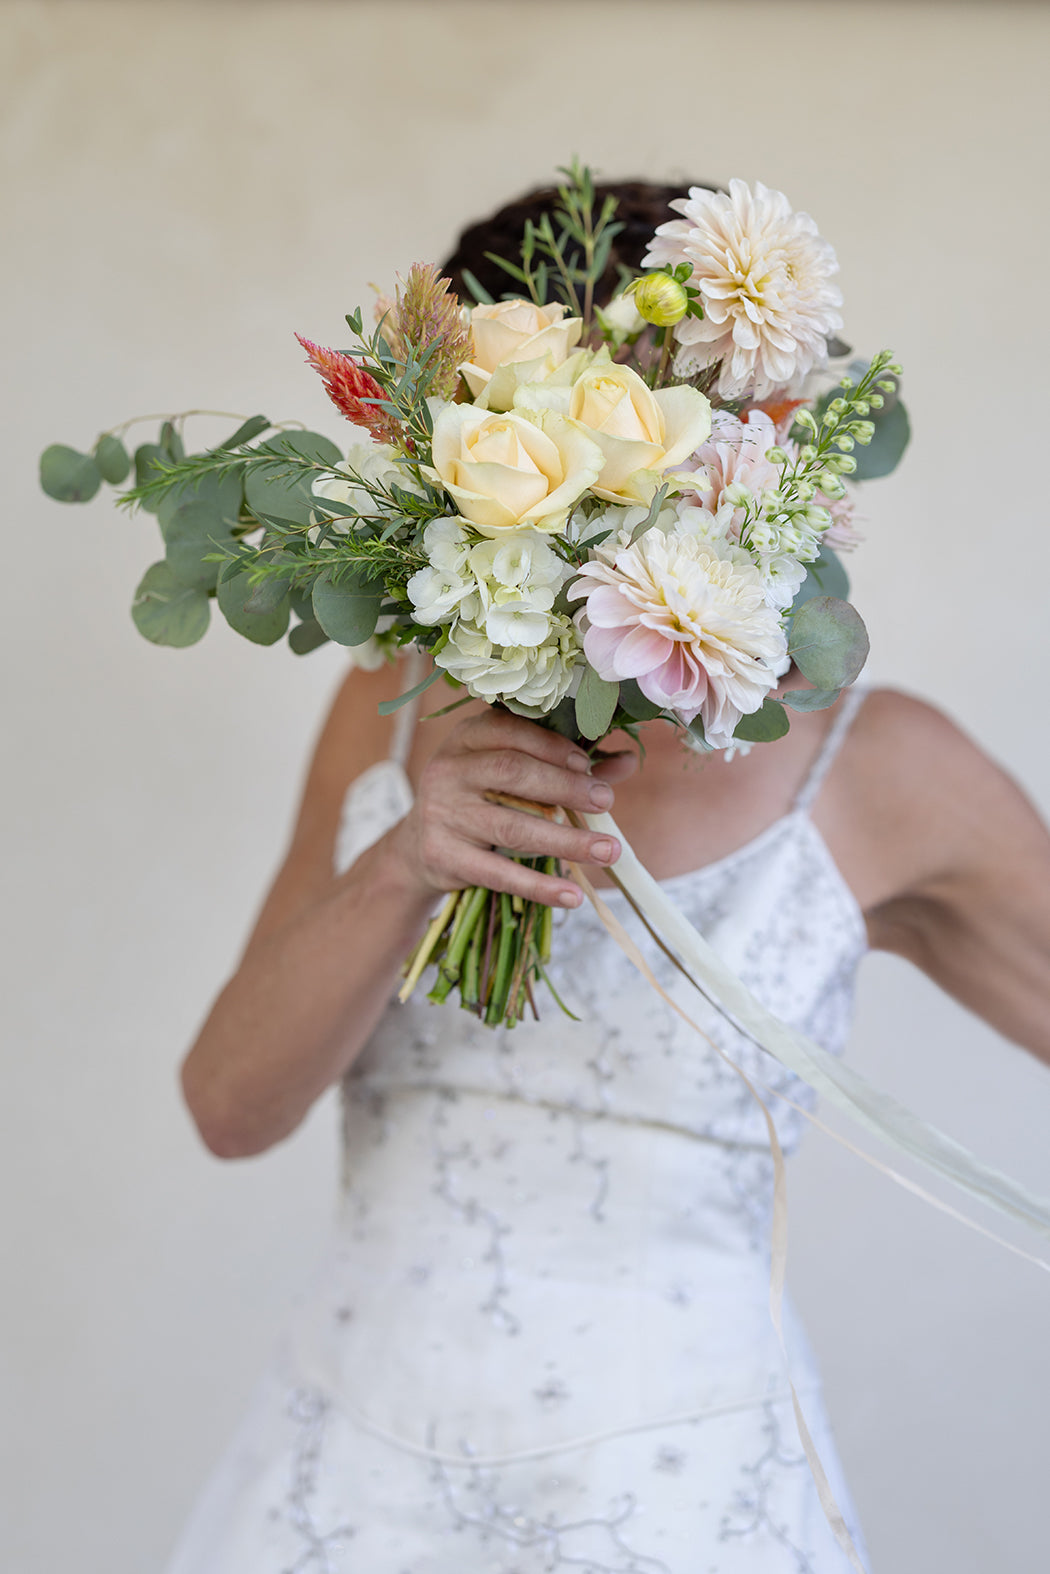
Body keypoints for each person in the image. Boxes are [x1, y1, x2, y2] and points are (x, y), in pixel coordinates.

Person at [168, 185, 1050, 1573]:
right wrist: (405, 855)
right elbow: (227, 1104)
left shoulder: (880, 767)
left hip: (687, 1503)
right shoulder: (390, 697)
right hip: (354, 1484)